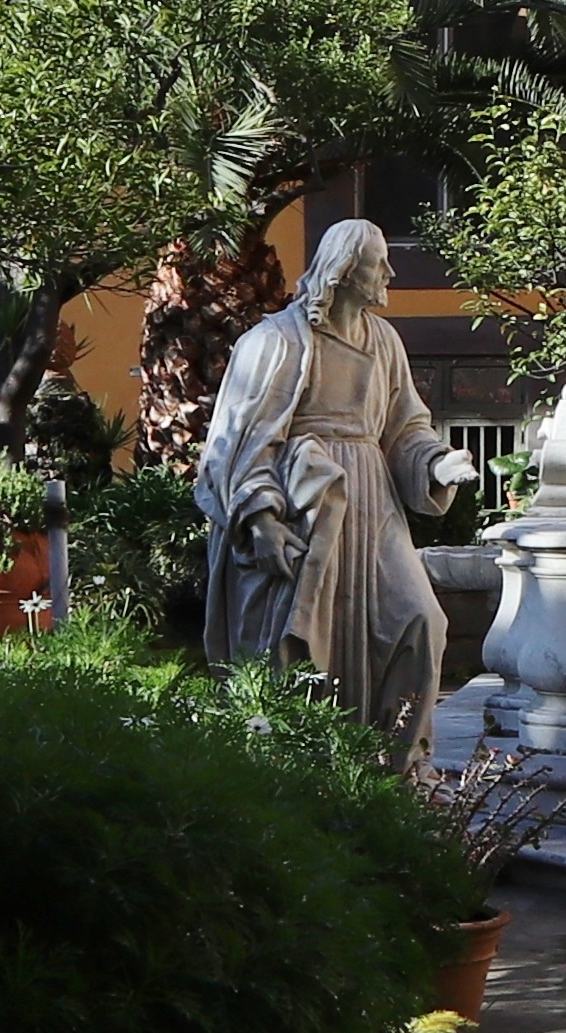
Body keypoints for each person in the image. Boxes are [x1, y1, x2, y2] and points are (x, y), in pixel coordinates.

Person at [192, 220, 473, 733]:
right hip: (304, 503)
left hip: (372, 502)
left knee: (419, 619)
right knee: (298, 640)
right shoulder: (276, 340)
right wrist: (260, 519)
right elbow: (239, 440)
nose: (389, 273)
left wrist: (436, 462)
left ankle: (398, 757)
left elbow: (405, 426)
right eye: (378, 263)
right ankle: (301, 756)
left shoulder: (384, 341)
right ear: (343, 271)